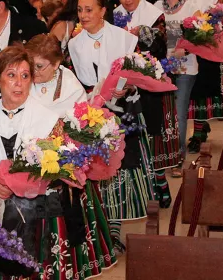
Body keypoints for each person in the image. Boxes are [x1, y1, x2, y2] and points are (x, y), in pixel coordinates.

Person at [0, 46, 116, 279]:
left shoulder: (48, 119)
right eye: (11, 75)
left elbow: (59, 168)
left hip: (38, 207)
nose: (19, 83)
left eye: (25, 76)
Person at [68, 0, 152, 252]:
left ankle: (115, 230)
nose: (83, 15)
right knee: (97, 167)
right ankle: (101, 230)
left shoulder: (122, 37)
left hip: (123, 110)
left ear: (103, 11)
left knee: (120, 168)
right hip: (91, 114)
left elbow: (139, 76)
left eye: (89, 10)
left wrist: (128, 87)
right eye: (80, 10)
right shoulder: (73, 43)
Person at [114, 0, 177, 207]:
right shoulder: (113, 15)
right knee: (130, 137)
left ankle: (160, 180)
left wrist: (141, 34)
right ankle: (142, 188)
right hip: (122, 86)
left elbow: (160, 49)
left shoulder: (154, 14)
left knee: (152, 134)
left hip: (150, 85)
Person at [155, 0, 211, 178]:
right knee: (163, 115)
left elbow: (202, 38)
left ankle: (178, 158)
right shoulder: (156, 7)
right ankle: (164, 156)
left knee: (178, 114)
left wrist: (185, 51)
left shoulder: (191, 7)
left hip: (185, 69)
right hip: (160, 70)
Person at [24, 34, 85, 117]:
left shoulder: (71, 87)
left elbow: (81, 119)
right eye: (30, 64)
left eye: (39, 66)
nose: (33, 71)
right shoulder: (21, 78)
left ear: (55, 64)